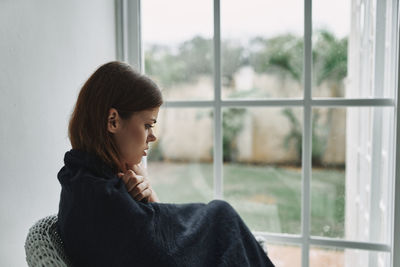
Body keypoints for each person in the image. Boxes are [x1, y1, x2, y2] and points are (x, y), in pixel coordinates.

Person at [57, 61, 275, 267]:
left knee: (220, 218)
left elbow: (157, 242)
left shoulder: (82, 177)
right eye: (147, 125)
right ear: (113, 121)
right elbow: (165, 255)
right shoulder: (103, 197)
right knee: (221, 217)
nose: (152, 137)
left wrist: (147, 195)